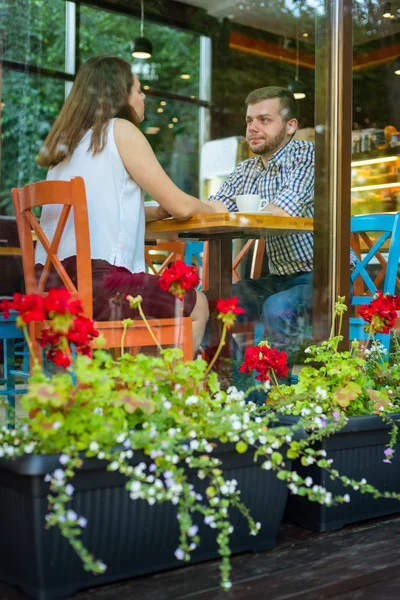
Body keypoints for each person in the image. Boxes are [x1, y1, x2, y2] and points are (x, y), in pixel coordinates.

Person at [35, 55, 227, 354]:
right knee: (195, 303)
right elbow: (183, 207)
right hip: (95, 288)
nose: (144, 96)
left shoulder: (65, 145)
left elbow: (96, 212)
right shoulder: (120, 130)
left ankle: (131, 392)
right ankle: (172, 398)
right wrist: (217, 209)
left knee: (151, 308)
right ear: (120, 94)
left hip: (48, 288)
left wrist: (153, 211)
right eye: (139, 90)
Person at [207, 86, 314, 366]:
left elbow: (280, 212)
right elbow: (213, 208)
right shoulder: (246, 170)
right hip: (278, 280)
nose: (253, 127)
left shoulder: (306, 156)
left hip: (324, 277)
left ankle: (274, 399)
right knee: (211, 304)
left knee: (277, 308)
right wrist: (174, 203)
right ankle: (225, 391)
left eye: (263, 120)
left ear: (290, 126)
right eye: (249, 120)